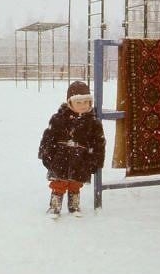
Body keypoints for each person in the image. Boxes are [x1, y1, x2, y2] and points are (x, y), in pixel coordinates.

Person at [38, 81, 106, 218]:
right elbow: (48, 138)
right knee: (59, 182)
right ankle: (55, 205)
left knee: (76, 182)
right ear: (70, 103)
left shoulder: (93, 123)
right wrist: (47, 155)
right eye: (78, 103)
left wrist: (95, 161)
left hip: (81, 158)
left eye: (86, 102)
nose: (83, 106)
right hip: (60, 157)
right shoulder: (58, 119)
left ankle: (74, 204)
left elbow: (99, 143)